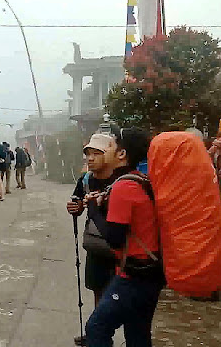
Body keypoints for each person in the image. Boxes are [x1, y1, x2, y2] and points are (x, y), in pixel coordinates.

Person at [85, 127, 164, 347]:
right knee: (138, 335)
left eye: (110, 145)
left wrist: (93, 210)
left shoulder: (124, 187)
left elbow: (114, 238)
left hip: (134, 276)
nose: (105, 149)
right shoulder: (140, 179)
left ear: (121, 154)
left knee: (97, 327)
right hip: (152, 273)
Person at [66, 133, 118, 346]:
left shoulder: (122, 178)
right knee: (98, 290)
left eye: (97, 153)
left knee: (118, 295)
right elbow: (77, 204)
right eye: (88, 153)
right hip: (96, 245)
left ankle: (103, 332)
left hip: (120, 246)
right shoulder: (86, 180)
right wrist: (75, 208)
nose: (90, 158)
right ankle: (99, 333)